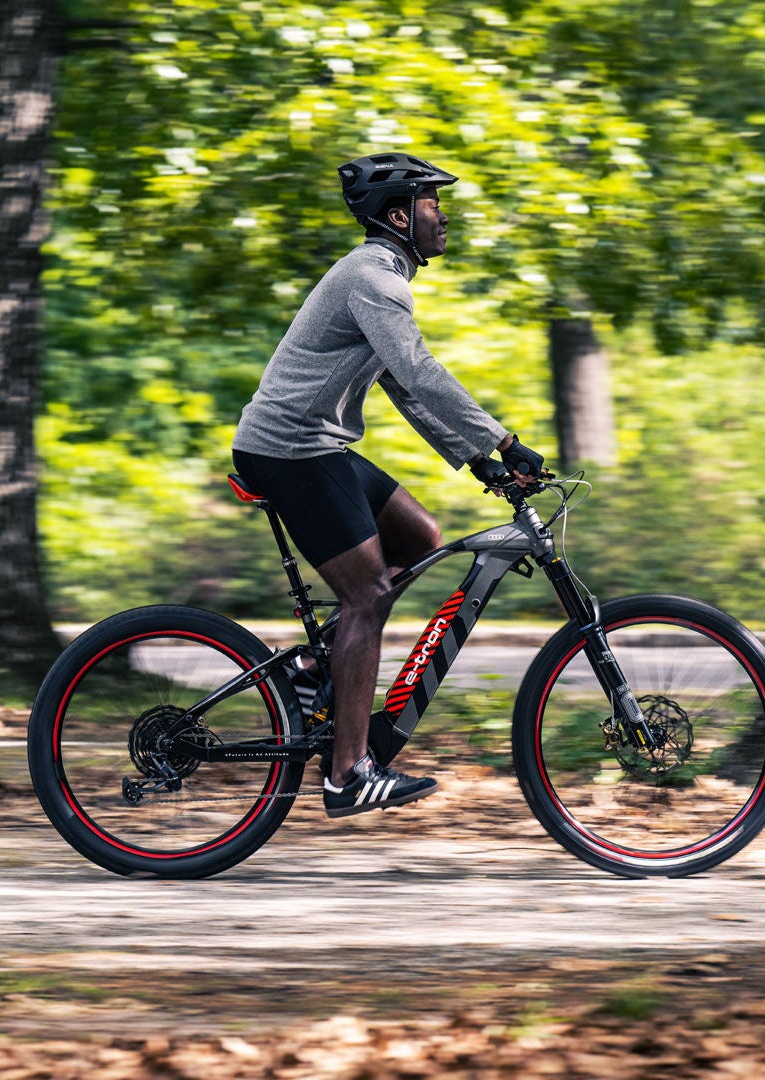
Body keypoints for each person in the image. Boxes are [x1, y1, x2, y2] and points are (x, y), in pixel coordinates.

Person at [231, 153, 546, 819]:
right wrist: (505, 441)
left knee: (420, 537)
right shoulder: (375, 278)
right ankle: (348, 773)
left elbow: (403, 387)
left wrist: (476, 460)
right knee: (368, 593)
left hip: (315, 443)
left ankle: (317, 672)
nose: (444, 215)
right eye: (434, 204)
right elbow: (421, 370)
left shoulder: (380, 277)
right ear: (399, 215)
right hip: (290, 449)